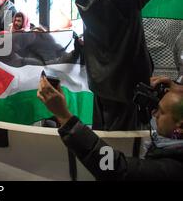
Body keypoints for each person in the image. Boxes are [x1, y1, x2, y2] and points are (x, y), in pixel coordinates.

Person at [76, 0, 183, 130]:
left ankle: (102, 162)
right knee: (124, 147)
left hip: (101, 87)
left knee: (103, 139)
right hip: (126, 91)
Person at [37, 74, 183, 180]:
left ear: (180, 126)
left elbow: (115, 167)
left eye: (161, 111)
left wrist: (65, 117)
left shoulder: (173, 170)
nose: (154, 113)